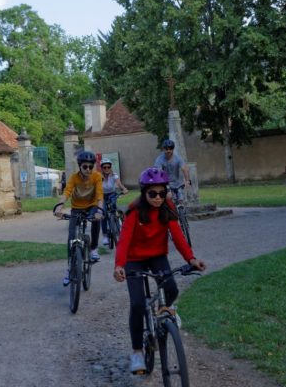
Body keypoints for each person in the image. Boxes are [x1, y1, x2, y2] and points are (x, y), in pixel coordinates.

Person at [113, 167, 206, 374]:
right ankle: (137, 352)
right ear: (144, 193)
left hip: (157, 256)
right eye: (153, 194)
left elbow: (178, 236)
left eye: (162, 193)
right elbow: (124, 241)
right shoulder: (134, 211)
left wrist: (191, 259)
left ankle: (166, 311)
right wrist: (119, 265)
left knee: (171, 288)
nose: (158, 198)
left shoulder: (168, 208)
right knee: (137, 304)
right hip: (134, 260)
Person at [55, 150, 104, 286]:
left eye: (90, 166)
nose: (88, 169)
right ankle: (70, 267)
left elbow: (100, 195)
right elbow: (67, 192)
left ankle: (94, 248)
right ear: (80, 166)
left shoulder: (97, 176)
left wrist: (99, 210)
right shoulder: (73, 178)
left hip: (92, 205)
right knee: (71, 237)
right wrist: (59, 206)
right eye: (85, 167)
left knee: (96, 218)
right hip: (77, 207)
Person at [99, 157, 129, 245]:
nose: (107, 169)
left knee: (113, 206)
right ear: (102, 168)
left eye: (108, 167)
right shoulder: (99, 177)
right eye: (104, 167)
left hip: (112, 193)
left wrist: (124, 189)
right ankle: (105, 236)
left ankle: (117, 219)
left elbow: (119, 183)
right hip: (102, 195)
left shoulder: (114, 175)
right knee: (103, 212)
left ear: (110, 167)